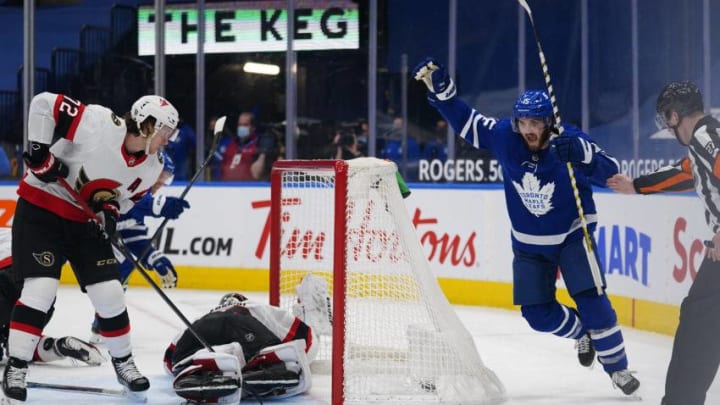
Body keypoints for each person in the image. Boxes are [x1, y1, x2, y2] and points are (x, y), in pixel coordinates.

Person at [411, 57, 639, 395]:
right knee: (537, 314)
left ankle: (618, 369)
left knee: (591, 300)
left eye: (535, 122)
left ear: (548, 122)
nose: (528, 129)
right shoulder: (506, 136)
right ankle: (582, 334)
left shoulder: (570, 141)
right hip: (529, 244)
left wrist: (585, 154)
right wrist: (444, 96)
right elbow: (469, 124)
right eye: (523, 122)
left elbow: (612, 173)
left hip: (573, 234)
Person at [4, 92, 181, 402]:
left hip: (82, 222)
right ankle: (17, 366)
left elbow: (124, 199)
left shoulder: (151, 168)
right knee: (40, 289)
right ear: (146, 124)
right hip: (40, 209)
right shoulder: (99, 123)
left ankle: (124, 363)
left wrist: (110, 211)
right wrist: (39, 152)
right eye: (165, 131)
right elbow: (44, 103)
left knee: (110, 292)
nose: (166, 140)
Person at [607, 81, 717, 405]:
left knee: (696, 332)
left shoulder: (705, 136)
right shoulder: (703, 142)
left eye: (667, 119)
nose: (669, 129)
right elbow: (685, 174)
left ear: (674, 114)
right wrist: (637, 186)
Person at [162, 274, 328, 404]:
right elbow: (301, 337)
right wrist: (304, 349)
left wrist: (182, 367)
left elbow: (171, 358)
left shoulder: (203, 317)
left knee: (201, 357)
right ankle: (260, 373)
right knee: (259, 352)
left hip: (198, 333)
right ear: (243, 299)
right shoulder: (252, 307)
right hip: (242, 326)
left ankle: (204, 375)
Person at [89, 151, 189, 343]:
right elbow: (127, 199)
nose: (160, 184)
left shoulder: (143, 197)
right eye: (159, 178)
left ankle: (104, 320)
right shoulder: (126, 181)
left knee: (123, 266)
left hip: (97, 236)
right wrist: (158, 206)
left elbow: (134, 235)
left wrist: (156, 259)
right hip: (74, 227)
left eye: (165, 180)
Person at [0, 227, 105, 367]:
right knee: (19, 341)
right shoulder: (17, 230)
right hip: (41, 291)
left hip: (5, 282)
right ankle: (56, 346)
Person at [216, 112, 277, 181]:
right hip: (224, 187)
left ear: (253, 127)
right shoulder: (230, 145)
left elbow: (257, 175)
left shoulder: (258, 144)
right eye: (240, 125)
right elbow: (221, 169)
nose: (241, 127)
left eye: (245, 125)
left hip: (248, 188)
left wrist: (262, 154)